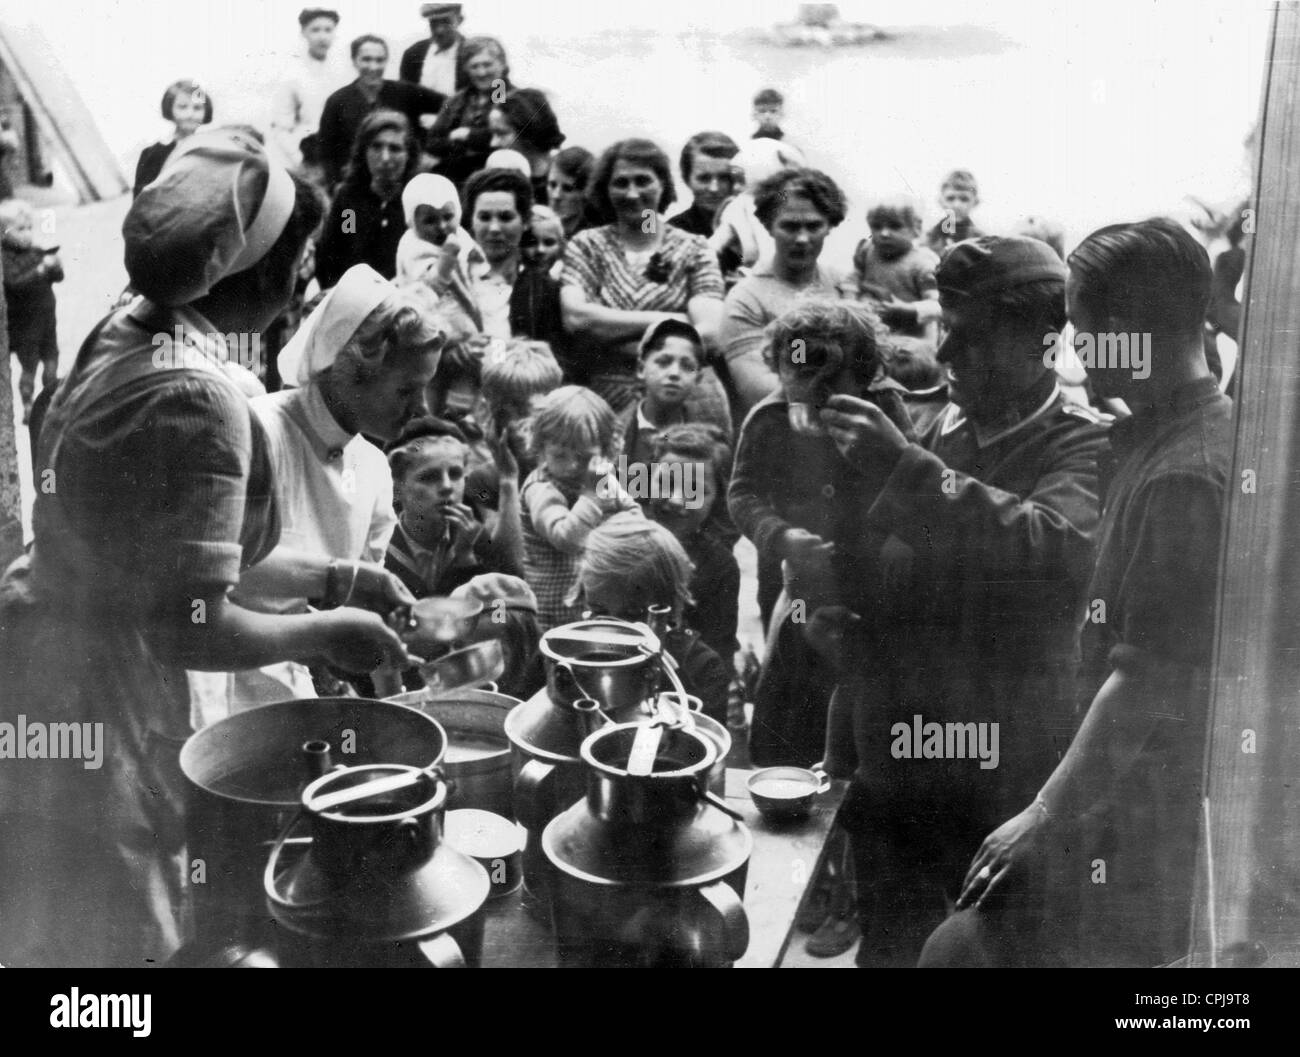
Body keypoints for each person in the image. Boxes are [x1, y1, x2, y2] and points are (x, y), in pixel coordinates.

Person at [0, 127, 416, 968]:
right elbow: (190, 623)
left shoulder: (131, 327)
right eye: (295, 269)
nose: (301, 286)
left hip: (50, 642)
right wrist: (327, 630)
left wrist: (341, 576)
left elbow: (184, 554)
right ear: (257, 274)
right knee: (117, 938)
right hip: (94, 687)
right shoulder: (200, 395)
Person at [923, 219, 1232, 969]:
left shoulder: (1183, 476)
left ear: (1127, 333)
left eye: (1084, 331)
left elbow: (1147, 677)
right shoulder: (1170, 437)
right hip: (1122, 789)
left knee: (959, 952)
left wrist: (1042, 814)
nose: (1073, 352)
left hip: (1141, 813)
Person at [811, 236, 1109, 966]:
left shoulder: (1084, 446)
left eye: (970, 336)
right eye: (946, 327)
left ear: (1045, 343)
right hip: (896, 758)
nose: (945, 355)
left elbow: (1050, 549)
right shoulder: (928, 426)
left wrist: (903, 468)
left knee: (982, 947)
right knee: (889, 941)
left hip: (997, 769)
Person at [187, 264, 446, 727]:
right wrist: (341, 581)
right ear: (351, 370)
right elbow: (218, 569)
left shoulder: (370, 468)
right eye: (406, 389)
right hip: (219, 683)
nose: (420, 408)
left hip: (297, 688)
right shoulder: (256, 433)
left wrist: (397, 707)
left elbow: (367, 604)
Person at [728, 300, 916, 766]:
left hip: (874, 591)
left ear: (865, 374)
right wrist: (780, 537)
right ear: (777, 367)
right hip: (800, 588)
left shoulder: (883, 409)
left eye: (831, 382)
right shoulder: (768, 420)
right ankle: (784, 776)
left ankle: (855, 780)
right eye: (800, 378)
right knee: (791, 698)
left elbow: (916, 478)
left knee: (867, 698)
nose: (815, 394)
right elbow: (743, 494)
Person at [560, 138, 729, 422]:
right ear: (605, 189)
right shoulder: (587, 245)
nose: (632, 193)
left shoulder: (694, 248)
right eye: (620, 183)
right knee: (611, 467)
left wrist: (612, 331)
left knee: (685, 466)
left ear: (662, 185)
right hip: (603, 402)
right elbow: (577, 319)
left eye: (643, 181)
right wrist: (675, 321)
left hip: (685, 398)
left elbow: (710, 333)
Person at [717, 167, 849, 419]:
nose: (802, 238)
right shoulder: (746, 298)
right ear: (768, 227)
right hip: (778, 436)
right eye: (789, 226)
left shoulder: (843, 284)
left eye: (813, 226)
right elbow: (757, 388)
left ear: (829, 225)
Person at [573, 514, 730, 723]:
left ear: (669, 607)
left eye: (631, 615)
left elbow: (702, 743)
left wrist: (671, 679)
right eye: (598, 611)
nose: (612, 630)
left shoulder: (700, 667)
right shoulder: (571, 653)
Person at [520, 385, 641, 630]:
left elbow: (634, 517)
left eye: (585, 457)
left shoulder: (601, 479)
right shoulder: (541, 487)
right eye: (560, 456)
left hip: (593, 602)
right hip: (551, 609)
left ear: (605, 452)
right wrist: (592, 497)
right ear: (540, 448)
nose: (573, 466)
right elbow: (567, 538)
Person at [385, 414, 523, 602]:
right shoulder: (381, 544)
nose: (447, 486)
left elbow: (499, 610)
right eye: (429, 477)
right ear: (397, 487)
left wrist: (466, 558)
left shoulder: (476, 537)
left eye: (455, 474)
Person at [646, 422, 740, 664]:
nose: (677, 500)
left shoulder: (720, 566)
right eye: (666, 484)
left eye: (694, 490)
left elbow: (719, 651)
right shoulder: (619, 541)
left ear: (717, 496)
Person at [317, 35, 444, 190]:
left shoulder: (404, 92)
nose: (373, 67)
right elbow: (327, 152)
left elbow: (449, 105)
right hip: (356, 185)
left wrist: (435, 133)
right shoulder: (338, 100)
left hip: (404, 183)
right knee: (350, 215)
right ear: (354, 60)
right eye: (366, 59)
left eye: (380, 60)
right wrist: (336, 186)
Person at [316, 110, 421, 288]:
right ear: (363, 151)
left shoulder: (417, 200)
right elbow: (336, 253)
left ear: (409, 154)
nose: (385, 158)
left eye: (395, 149)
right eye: (376, 147)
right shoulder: (349, 202)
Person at [617, 318, 720, 475]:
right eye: (663, 362)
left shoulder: (710, 442)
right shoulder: (614, 434)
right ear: (641, 369)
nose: (674, 373)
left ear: (698, 379)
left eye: (687, 366)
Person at [397, 171, 486, 332]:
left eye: (448, 217)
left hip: (463, 306)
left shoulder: (457, 232)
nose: (442, 226)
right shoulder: (414, 247)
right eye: (430, 221)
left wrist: (474, 254)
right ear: (413, 221)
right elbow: (431, 284)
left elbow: (469, 247)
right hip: (432, 316)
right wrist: (446, 257)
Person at [850, 196, 942, 349]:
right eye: (877, 227)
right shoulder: (867, 250)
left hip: (909, 338)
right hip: (871, 331)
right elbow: (853, 278)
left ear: (916, 229)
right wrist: (851, 301)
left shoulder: (923, 264)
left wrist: (906, 310)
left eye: (895, 226)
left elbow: (937, 305)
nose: (884, 233)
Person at [1, 199, 62, 423]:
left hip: (46, 317)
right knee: (30, 365)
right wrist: (40, 270)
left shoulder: (36, 251)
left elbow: (58, 278)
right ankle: (28, 405)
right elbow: (14, 283)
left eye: (29, 228)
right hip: (25, 323)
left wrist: (55, 267)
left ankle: (52, 399)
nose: (27, 234)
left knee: (52, 357)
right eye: (20, 229)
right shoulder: (6, 258)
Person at [270, 8, 350, 178]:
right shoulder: (292, 75)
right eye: (315, 30)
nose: (322, 36)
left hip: (340, 156)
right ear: (303, 32)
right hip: (307, 157)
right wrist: (300, 160)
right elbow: (281, 128)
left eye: (328, 30)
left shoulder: (344, 72)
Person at [708, 138, 805, 276]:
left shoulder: (793, 205)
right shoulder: (738, 208)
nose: (735, 187)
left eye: (741, 181)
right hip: (752, 276)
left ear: (761, 175)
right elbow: (715, 244)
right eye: (733, 181)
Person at [425, 36, 513, 187]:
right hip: (458, 179)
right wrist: (456, 142)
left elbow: (512, 137)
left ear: (502, 64)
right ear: (466, 69)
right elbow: (432, 142)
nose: (481, 72)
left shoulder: (513, 98)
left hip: (499, 178)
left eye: (487, 64)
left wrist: (468, 135)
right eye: (474, 66)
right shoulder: (456, 101)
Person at [462, 166, 533, 339]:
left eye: (505, 217)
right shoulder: (452, 274)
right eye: (484, 217)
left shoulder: (541, 287)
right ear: (471, 220)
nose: (494, 228)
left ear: (525, 221)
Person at [133, 80, 213, 197]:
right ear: (169, 109)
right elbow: (142, 198)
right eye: (182, 107)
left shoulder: (212, 146)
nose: (190, 114)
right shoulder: (154, 153)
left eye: (197, 108)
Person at [489, 88, 565, 205]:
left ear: (529, 133)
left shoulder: (563, 180)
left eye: (501, 133)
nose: (493, 143)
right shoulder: (496, 178)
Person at [669, 131, 740, 239]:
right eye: (704, 178)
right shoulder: (674, 233)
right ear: (687, 179)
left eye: (724, 177)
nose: (714, 188)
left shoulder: (759, 226)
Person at [400, 3, 470, 97]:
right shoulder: (413, 53)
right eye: (433, 23)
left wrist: (496, 109)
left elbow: (494, 85)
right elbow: (403, 94)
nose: (439, 30)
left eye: (446, 22)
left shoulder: (472, 53)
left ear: (459, 20)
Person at [924, 169, 984, 257]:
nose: (957, 205)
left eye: (964, 199)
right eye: (950, 198)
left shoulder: (982, 241)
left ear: (975, 202)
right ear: (941, 202)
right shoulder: (927, 239)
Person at [546, 146, 596, 238]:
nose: (556, 196)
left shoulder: (593, 237)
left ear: (586, 192)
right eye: (552, 185)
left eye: (567, 188)